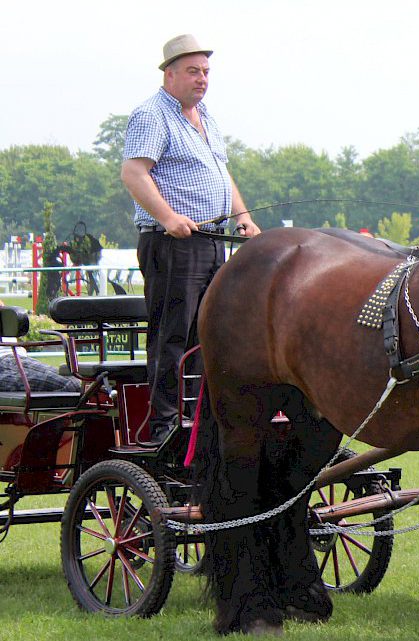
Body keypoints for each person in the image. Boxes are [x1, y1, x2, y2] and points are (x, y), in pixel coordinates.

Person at [120, 34, 261, 447]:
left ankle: (200, 418)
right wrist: (167, 217)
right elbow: (133, 173)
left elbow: (221, 174)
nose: (201, 80)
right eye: (193, 71)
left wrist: (243, 218)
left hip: (212, 240)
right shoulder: (152, 115)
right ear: (169, 74)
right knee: (174, 334)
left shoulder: (205, 116)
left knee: (210, 333)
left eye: (205, 72)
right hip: (173, 242)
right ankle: (164, 424)